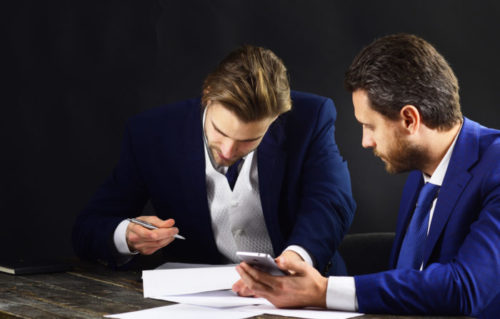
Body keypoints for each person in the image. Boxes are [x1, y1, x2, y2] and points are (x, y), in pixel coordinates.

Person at [235, 34, 500, 317]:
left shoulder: (495, 167)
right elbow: (410, 285)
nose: (365, 141)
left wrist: (323, 291)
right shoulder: (421, 175)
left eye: (370, 126)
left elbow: (466, 288)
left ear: (410, 119)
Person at [72, 45, 356, 280]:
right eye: (220, 132)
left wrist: (298, 257)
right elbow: (90, 227)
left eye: (250, 140)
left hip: (303, 295)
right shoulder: (151, 133)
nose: (229, 150)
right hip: (197, 300)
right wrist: (127, 236)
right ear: (208, 95)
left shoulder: (311, 118)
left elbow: (330, 202)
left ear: (276, 118)